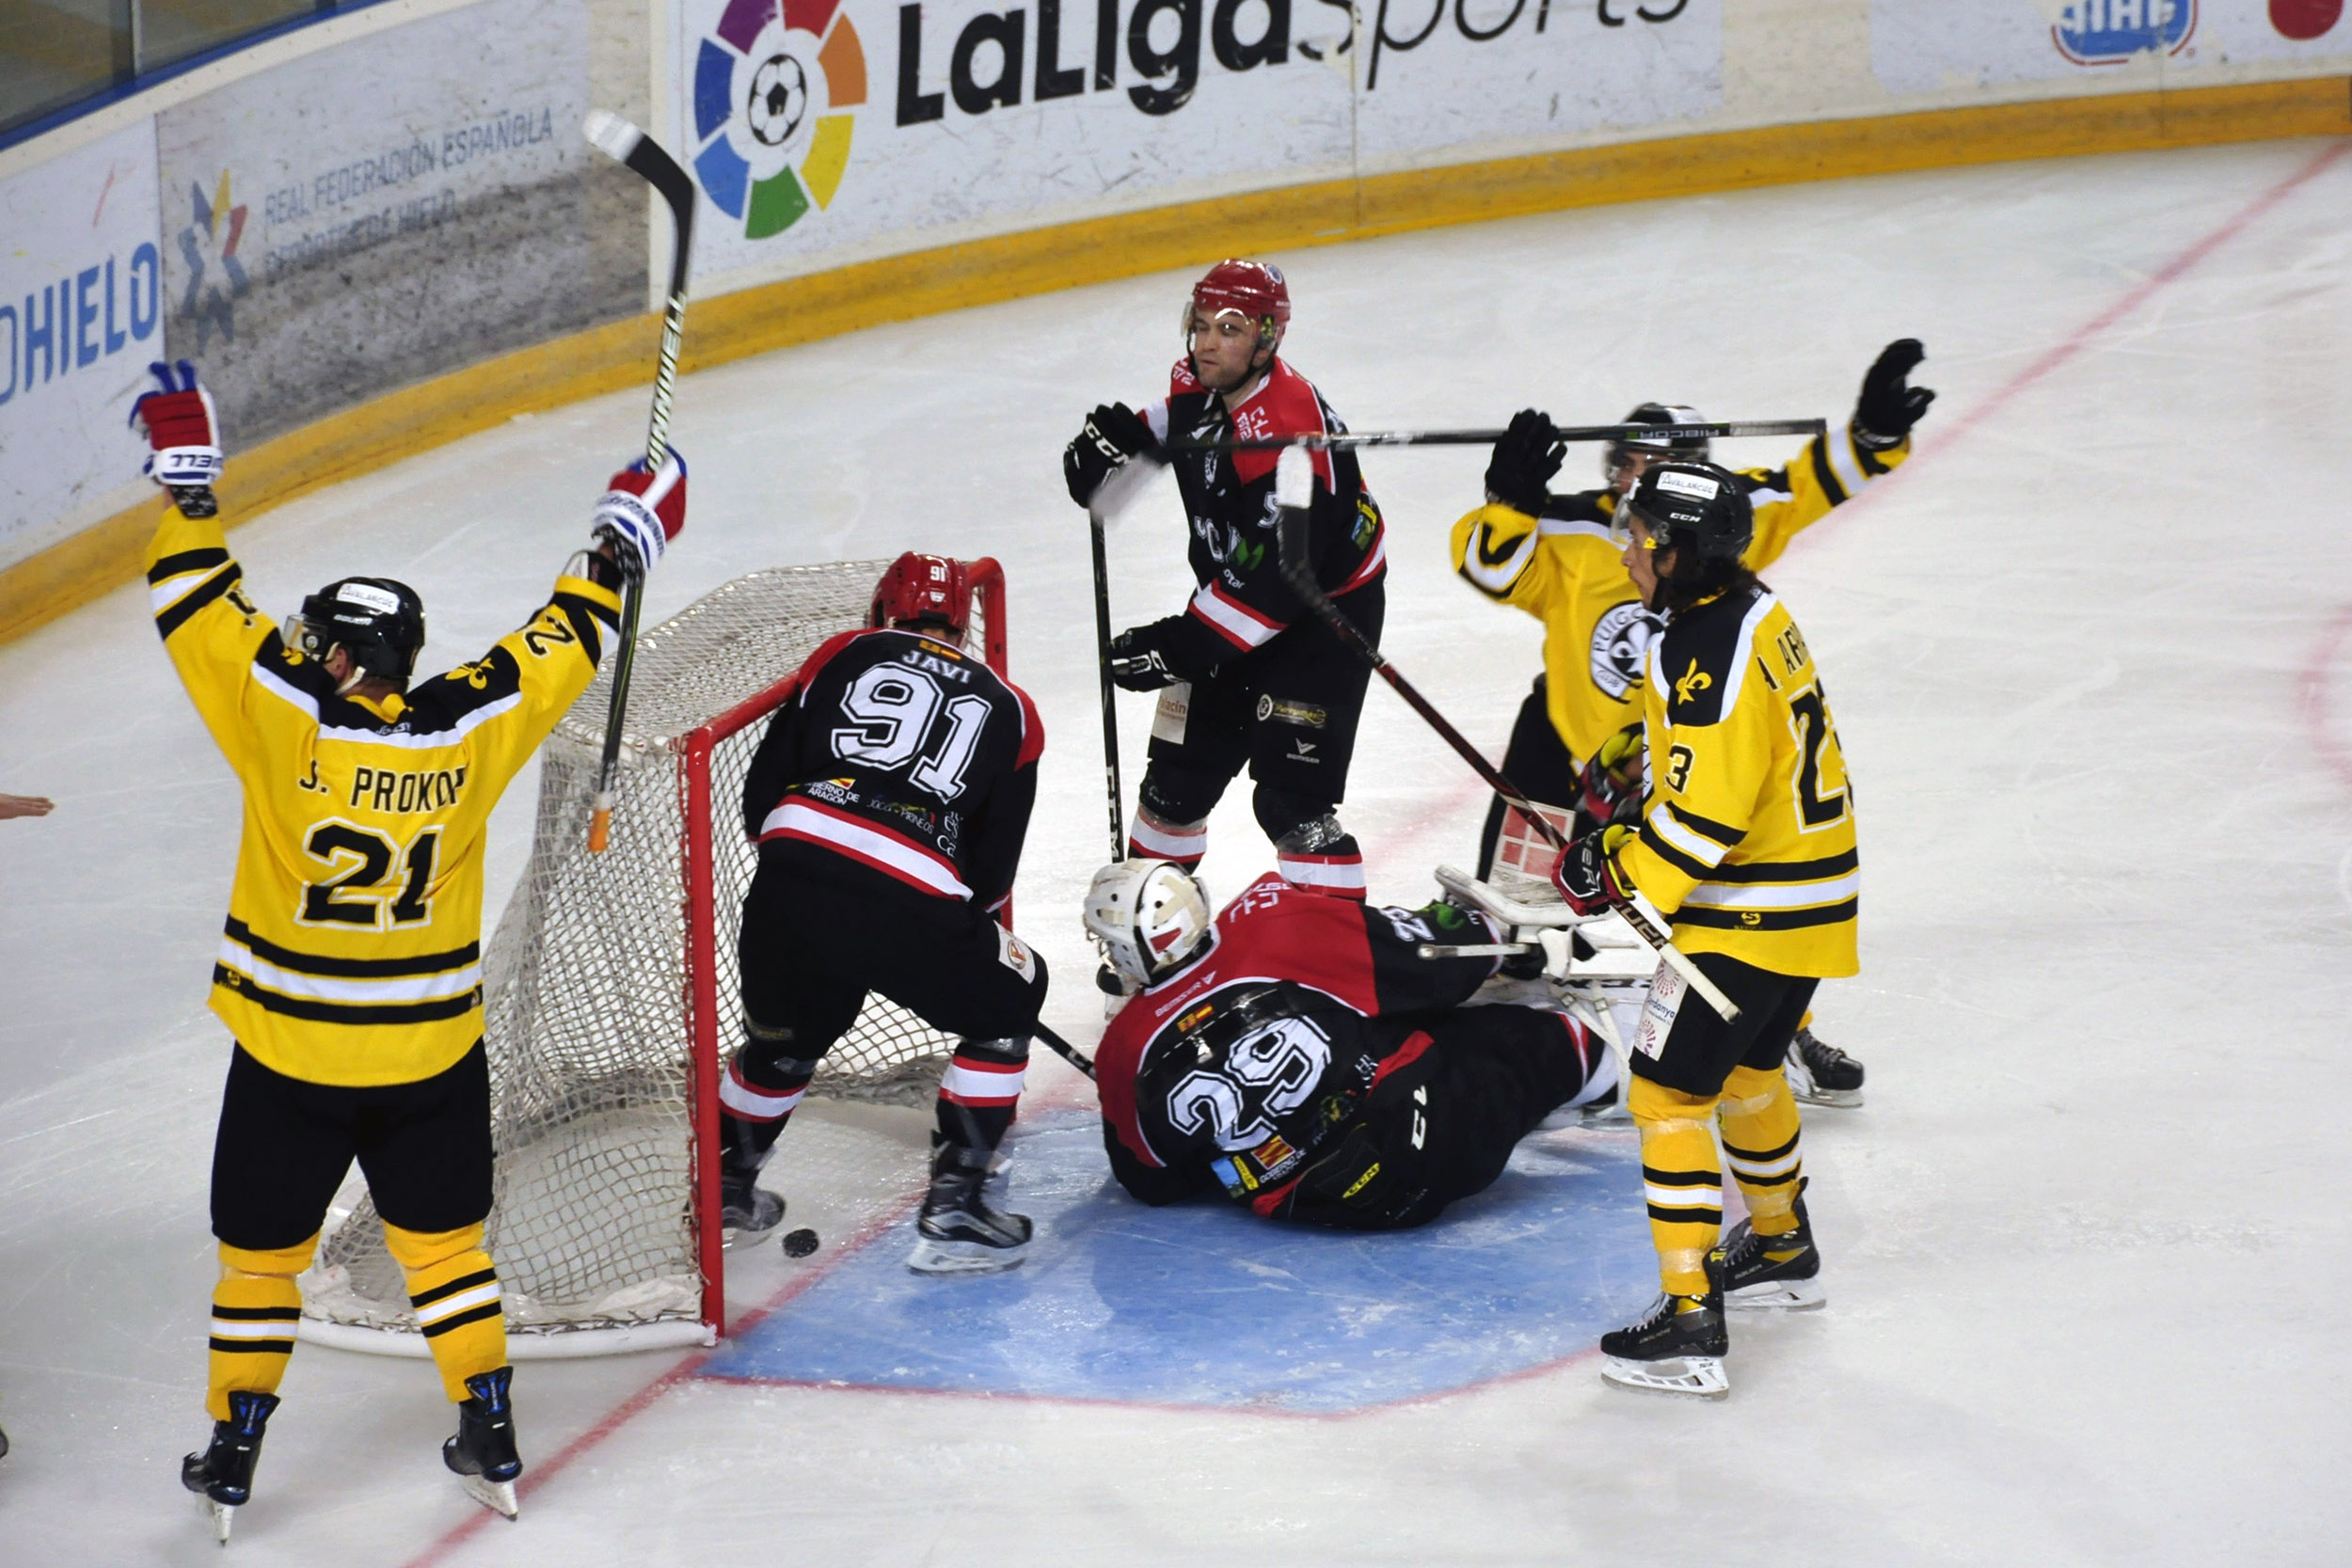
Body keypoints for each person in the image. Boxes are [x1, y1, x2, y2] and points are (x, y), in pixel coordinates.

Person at [135, 360, 680, 1534]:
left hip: (292, 1056)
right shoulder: (465, 726)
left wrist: (190, 493)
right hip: (429, 1055)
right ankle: (489, 1423)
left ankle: (233, 1450)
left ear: (336, 658)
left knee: (260, 1260)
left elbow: (197, 598)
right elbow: (556, 644)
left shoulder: (282, 717)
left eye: (314, 639)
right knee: (446, 1254)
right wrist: (617, 544)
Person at [1451, 342, 1933, 1104]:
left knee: (1723, 913)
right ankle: (1498, 988)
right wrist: (1508, 499)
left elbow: (1809, 484)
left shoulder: (1719, 528)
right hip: (1572, 750)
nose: (1637, 485)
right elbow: (1490, 568)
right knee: (1513, 924)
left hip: (1677, 763)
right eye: (1629, 465)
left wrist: (1869, 435)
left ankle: (1779, 1028)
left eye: (1658, 470)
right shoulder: (1572, 532)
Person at [1547, 461, 1858, 1400]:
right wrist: (1628, 751)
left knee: (1666, 1096)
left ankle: (1689, 1320)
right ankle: (1780, 1245)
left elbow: (1705, 819)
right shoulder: (1749, 612)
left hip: (1746, 912)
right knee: (1751, 1074)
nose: (1629, 549)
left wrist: (1614, 871)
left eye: (1642, 535)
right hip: (1808, 903)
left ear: (1683, 552)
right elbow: (1718, 749)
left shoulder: (1701, 650)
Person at [722, 552, 1049, 1275]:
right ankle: (957, 1206)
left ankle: (725, 1193)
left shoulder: (841, 651)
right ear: (965, 620)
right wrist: (918, 922)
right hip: (912, 898)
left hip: (790, 877)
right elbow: (991, 878)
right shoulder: (1016, 710)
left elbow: (759, 799)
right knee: (1012, 995)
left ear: (885, 609)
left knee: (784, 1040)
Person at [1063, 260, 1387, 910]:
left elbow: (1278, 589)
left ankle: (1339, 960)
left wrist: (1173, 646)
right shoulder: (1196, 384)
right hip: (1237, 599)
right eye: (1201, 325)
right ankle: (1151, 962)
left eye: (1230, 329)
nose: (1208, 343)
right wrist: (1101, 461)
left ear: (1267, 339)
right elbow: (1141, 452)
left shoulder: (1290, 435)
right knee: (1172, 788)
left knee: (1292, 804)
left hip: (1322, 620)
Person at [1085, 859, 1615, 1227]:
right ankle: (1648, 1069)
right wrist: (1501, 943)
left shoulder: (1122, 1050)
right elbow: (1427, 959)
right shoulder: (1268, 925)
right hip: (1438, 1136)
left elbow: (1151, 1182)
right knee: (1527, 1040)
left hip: (1327, 1208)